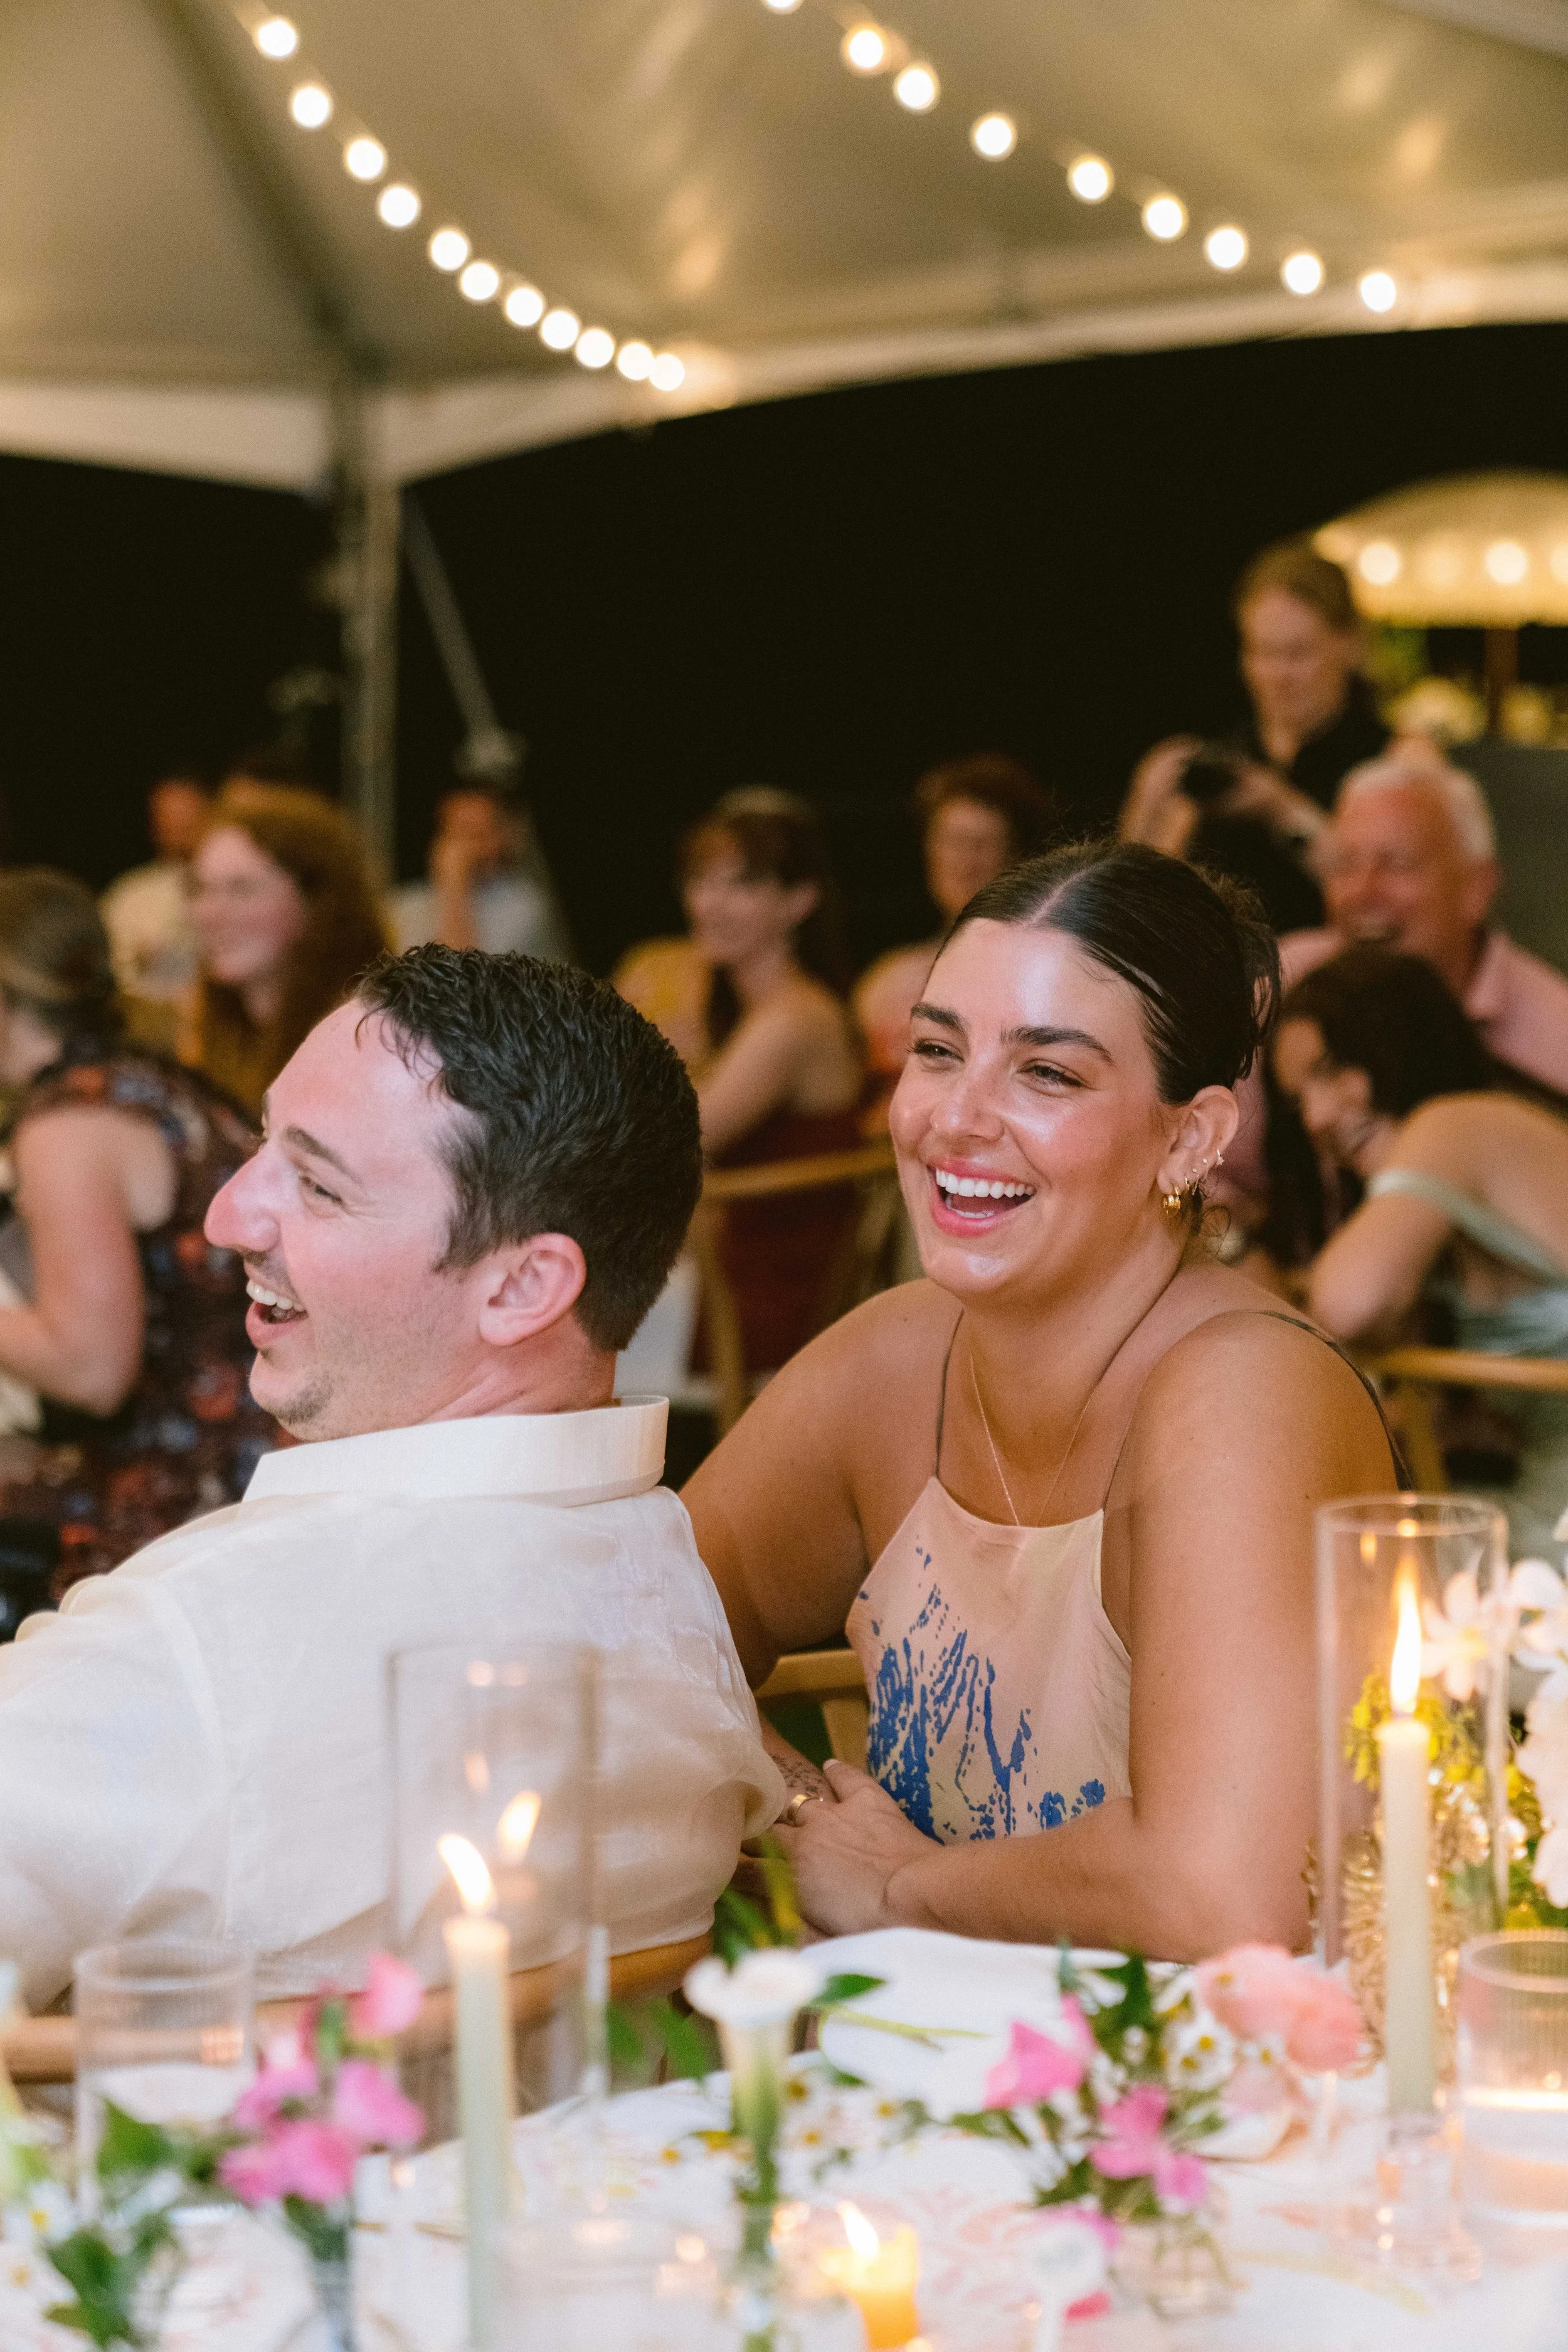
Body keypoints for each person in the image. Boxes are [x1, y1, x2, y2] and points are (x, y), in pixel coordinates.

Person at [0, 947, 781, 2007]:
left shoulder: (197, 1646)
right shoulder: (668, 1589)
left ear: (521, 1287)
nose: (227, 1213)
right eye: (262, 1142)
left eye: (318, 1185)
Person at [684, 842, 1396, 1959]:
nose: (955, 1120)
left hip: (1226, 2100)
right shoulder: (893, 1362)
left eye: (1047, 1073)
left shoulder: (1246, 1393)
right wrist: (806, 1815)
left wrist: (905, 1884)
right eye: (936, 1051)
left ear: (1192, 1136)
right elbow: (620, 1626)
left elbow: (1225, 1898)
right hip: (931, 2075)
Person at [0, 871, 272, 1606]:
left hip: (191, 1500)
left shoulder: (65, 1125)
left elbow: (91, 1366)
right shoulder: (154, 1077)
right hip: (265, 1458)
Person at [1274, 946, 1568, 1557]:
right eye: (1299, 1096)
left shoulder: (1454, 1124)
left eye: (1332, 1067)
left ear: (1401, 1040)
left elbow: (1345, 1306)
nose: (1318, 1115)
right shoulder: (1456, 1203)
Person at [632, 790, 866, 1374]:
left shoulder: (792, 1019)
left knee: (539, 1306)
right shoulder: (749, 1011)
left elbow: (665, 1145)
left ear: (800, 900)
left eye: (741, 884)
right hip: (726, 1271)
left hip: (757, 1302)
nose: (710, 903)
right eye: (701, 881)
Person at [1120, 541, 1389, 931]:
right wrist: (1149, 814)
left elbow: (1384, 901)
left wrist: (1281, 809)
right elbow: (1138, 908)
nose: (1279, 676)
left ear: (1348, 645)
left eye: (1298, 653)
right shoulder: (1222, 762)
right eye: (1262, 652)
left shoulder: (1390, 759)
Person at [1279, 750, 1568, 1096]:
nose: (1363, 891)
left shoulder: (1556, 1040)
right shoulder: (1284, 982)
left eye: (1397, 864)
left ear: (1476, 889)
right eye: (1345, 865)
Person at [855, 754, 1061, 1093]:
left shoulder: (1040, 976)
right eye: (950, 841)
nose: (963, 863)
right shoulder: (889, 976)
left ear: (1016, 856)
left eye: (980, 845)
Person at [181, 783, 388, 1116]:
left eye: (242, 889)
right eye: (201, 888)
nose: (210, 913)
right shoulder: (208, 1029)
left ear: (316, 903)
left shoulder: (369, 1038)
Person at [388, 787, 572, 962]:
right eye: (457, 834)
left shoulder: (523, 907)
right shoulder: (404, 906)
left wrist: (456, 886)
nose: (463, 848)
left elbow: (460, 983)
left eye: (477, 834)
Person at [99, 773, 211, 1004]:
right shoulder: (128, 895)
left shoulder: (226, 890)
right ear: (154, 824)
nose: (180, 825)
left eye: (188, 815)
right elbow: (106, 972)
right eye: (170, 816)